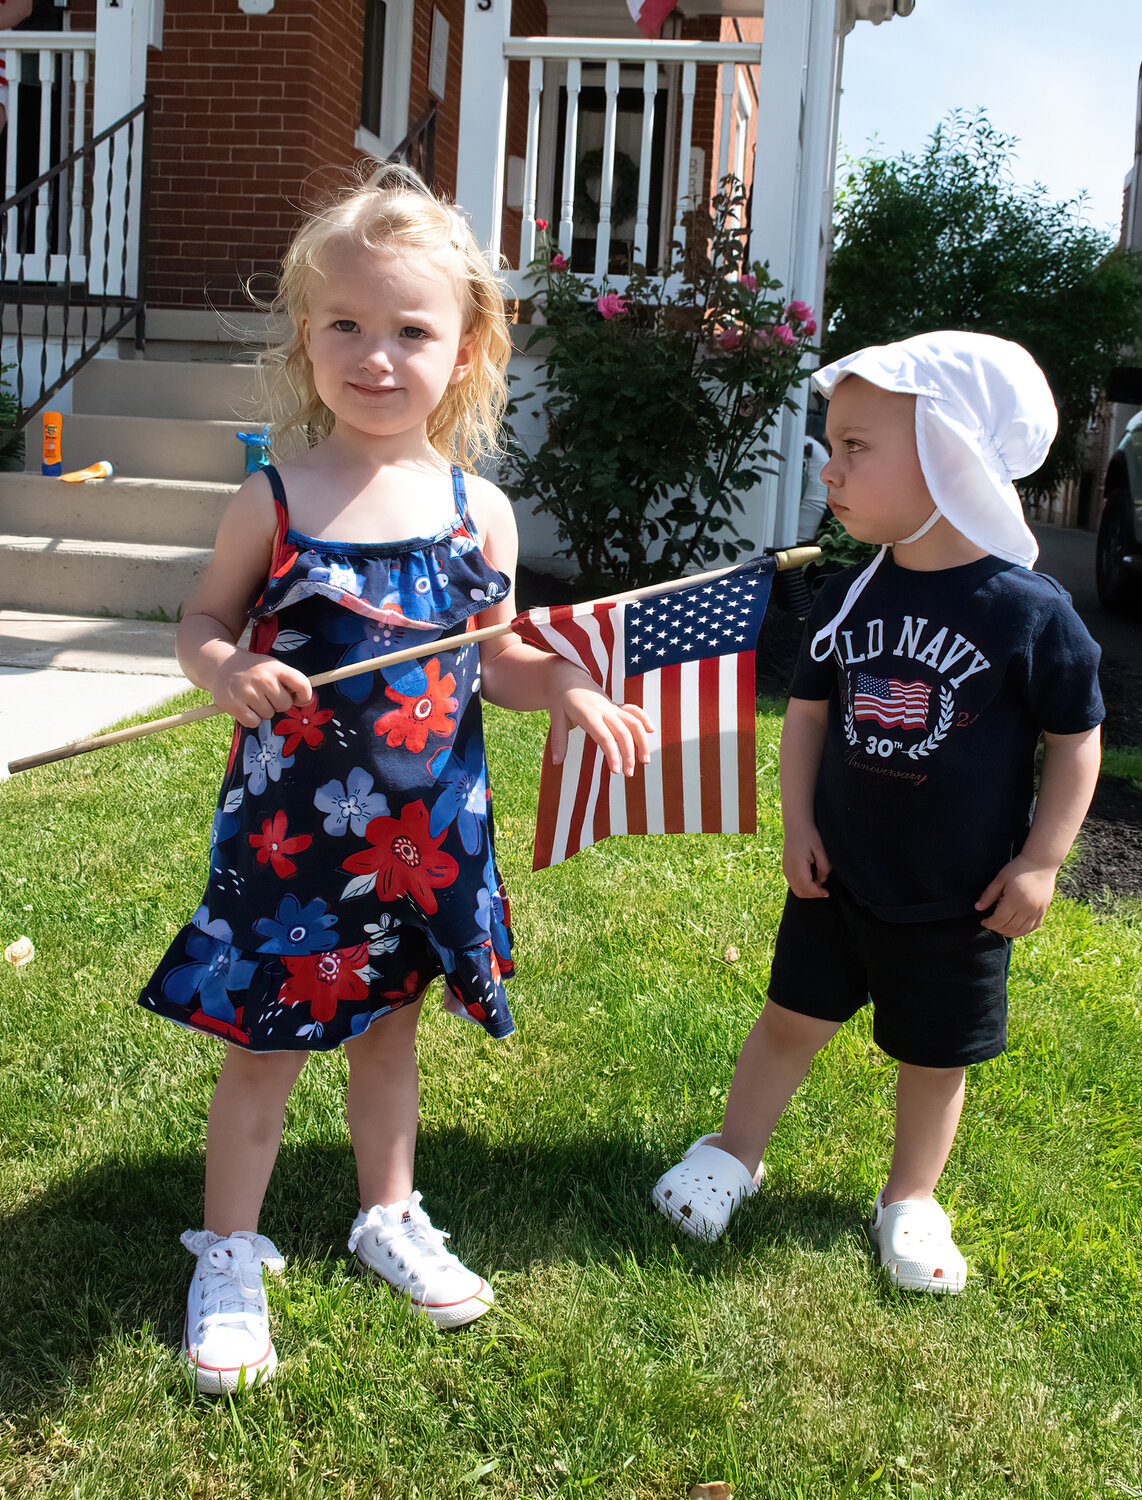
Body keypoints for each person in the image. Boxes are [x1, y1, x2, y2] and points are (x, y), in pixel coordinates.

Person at [138, 162, 653, 1394]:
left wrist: (567, 689)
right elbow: (202, 621)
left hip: (422, 840)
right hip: (290, 842)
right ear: (306, 337)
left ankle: (389, 1214)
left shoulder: (480, 511)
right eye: (346, 327)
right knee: (263, 1044)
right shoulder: (273, 497)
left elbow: (499, 661)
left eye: (410, 331)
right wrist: (226, 672)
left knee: (388, 1035)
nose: (377, 357)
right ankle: (229, 1251)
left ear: (466, 349)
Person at [652, 331, 1103, 1293]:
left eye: (857, 447)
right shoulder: (854, 592)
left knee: (935, 1059)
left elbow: (1076, 740)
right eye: (831, 445)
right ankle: (734, 1151)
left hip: (960, 898)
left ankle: (910, 1198)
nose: (830, 468)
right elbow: (809, 713)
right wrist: (798, 824)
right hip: (839, 877)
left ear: (951, 454)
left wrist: (1040, 861)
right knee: (786, 1020)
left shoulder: (1031, 612)